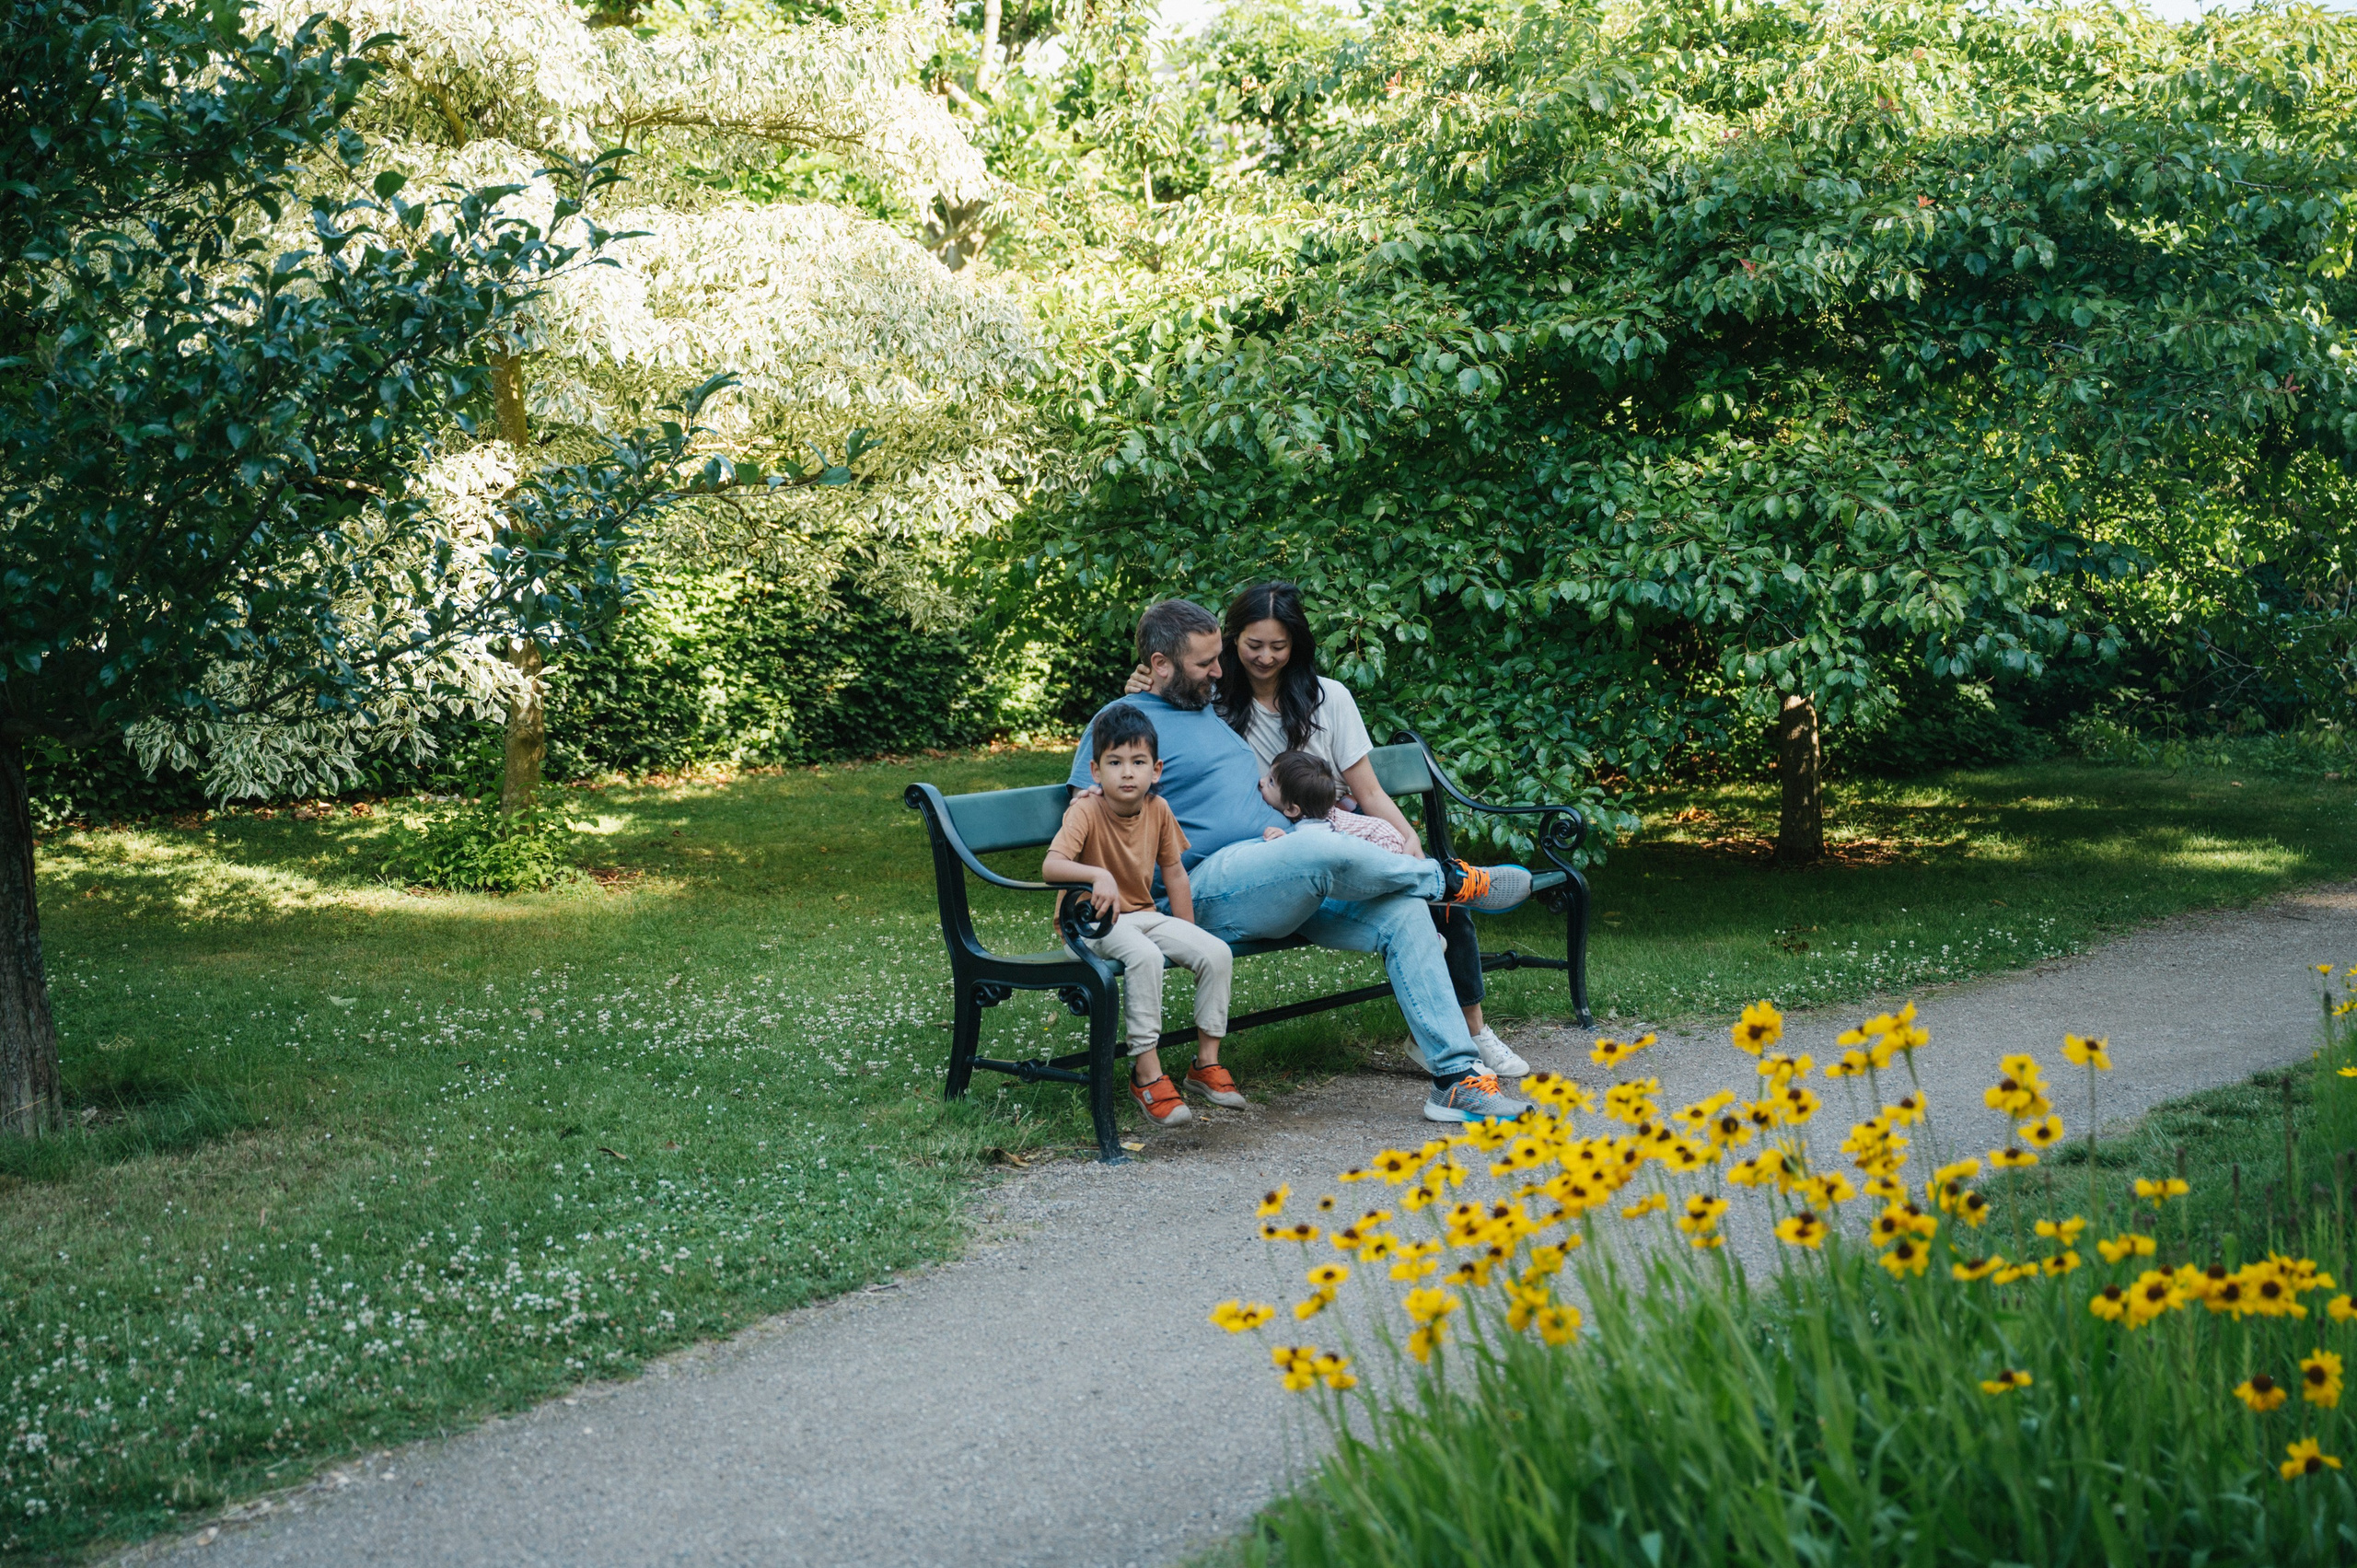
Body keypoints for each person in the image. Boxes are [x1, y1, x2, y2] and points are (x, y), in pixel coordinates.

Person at [1076, 598, 1536, 1124]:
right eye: (1206, 663)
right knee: (1313, 845)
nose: (1220, 671)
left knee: (1406, 913)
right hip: (1204, 886)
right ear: (1161, 665)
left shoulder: (1205, 705)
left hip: (1279, 874)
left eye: (1218, 658)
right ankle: (1447, 880)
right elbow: (1088, 810)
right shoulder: (1121, 725)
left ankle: (1456, 1081)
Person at [1042, 703, 1237, 1128]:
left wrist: (1188, 934)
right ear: (1095, 771)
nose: (1127, 773)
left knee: (1216, 952)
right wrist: (1097, 875)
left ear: (1156, 769)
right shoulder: (1085, 810)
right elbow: (1051, 866)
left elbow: (1175, 873)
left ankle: (1205, 1065)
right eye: (1115, 762)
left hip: (1143, 915)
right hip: (1088, 925)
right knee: (1145, 956)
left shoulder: (1158, 808)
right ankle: (1146, 1073)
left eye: (1138, 762)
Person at [1260, 749, 1413, 855]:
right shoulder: (1315, 812)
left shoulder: (1315, 825)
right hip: (1380, 836)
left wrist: (1283, 838)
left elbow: (1307, 848)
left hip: (1383, 842)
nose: (1261, 781)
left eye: (1271, 781)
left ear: (1292, 810)